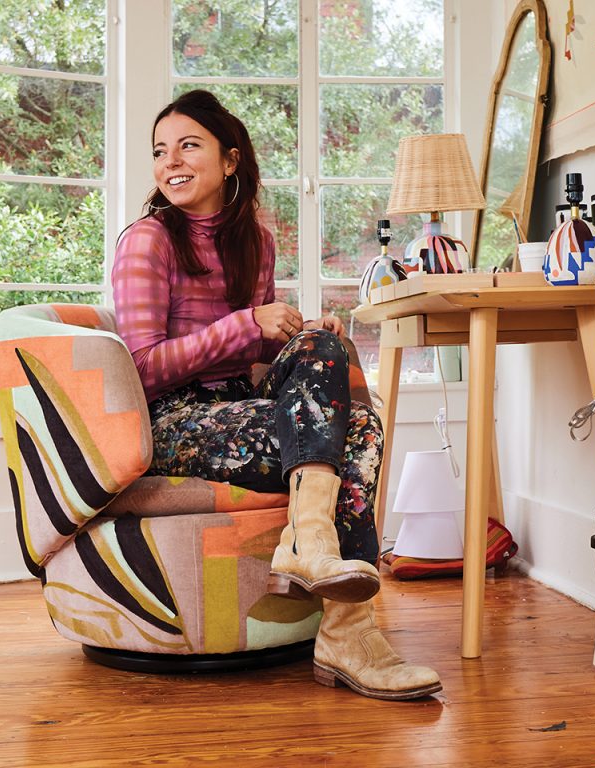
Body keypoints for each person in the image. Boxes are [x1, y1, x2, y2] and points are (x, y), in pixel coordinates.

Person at [111, 90, 441, 701]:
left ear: (230, 160)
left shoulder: (254, 243)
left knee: (333, 363)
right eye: (160, 151)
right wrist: (245, 324)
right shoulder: (147, 241)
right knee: (352, 435)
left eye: (189, 145)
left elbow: (260, 369)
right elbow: (142, 367)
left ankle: (314, 554)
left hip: (242, 406)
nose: (170, 162)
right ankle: (348, 629)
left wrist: (308, 338)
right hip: (173, 420)